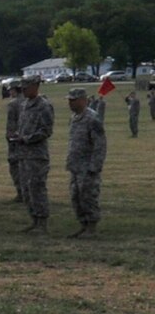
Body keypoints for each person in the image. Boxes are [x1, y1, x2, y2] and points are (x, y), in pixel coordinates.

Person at [10, 76, 55, 231]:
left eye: (26, 86)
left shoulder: (44, 106)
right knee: (26, 189)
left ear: (36, 86)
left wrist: (26, 139)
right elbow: (23, 126)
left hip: (37, 155)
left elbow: (46, 130)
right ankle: (34, 220)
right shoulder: (24, 104)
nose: (23, 89)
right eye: (22, 87)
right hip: (23, 154)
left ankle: (42, 222)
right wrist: (17, 135)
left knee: (37, 188)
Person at [66, 86, 106, 237]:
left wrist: (95, 166)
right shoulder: (74, 118)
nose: (71, 103)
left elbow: (100, 144)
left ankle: (91, 227)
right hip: (75, 165)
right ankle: (83, 224)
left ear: (83, 100)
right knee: (76, 197)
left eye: (74, 100)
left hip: (88, 166)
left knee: (88, 196)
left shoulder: (92, 118)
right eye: (69, 100)